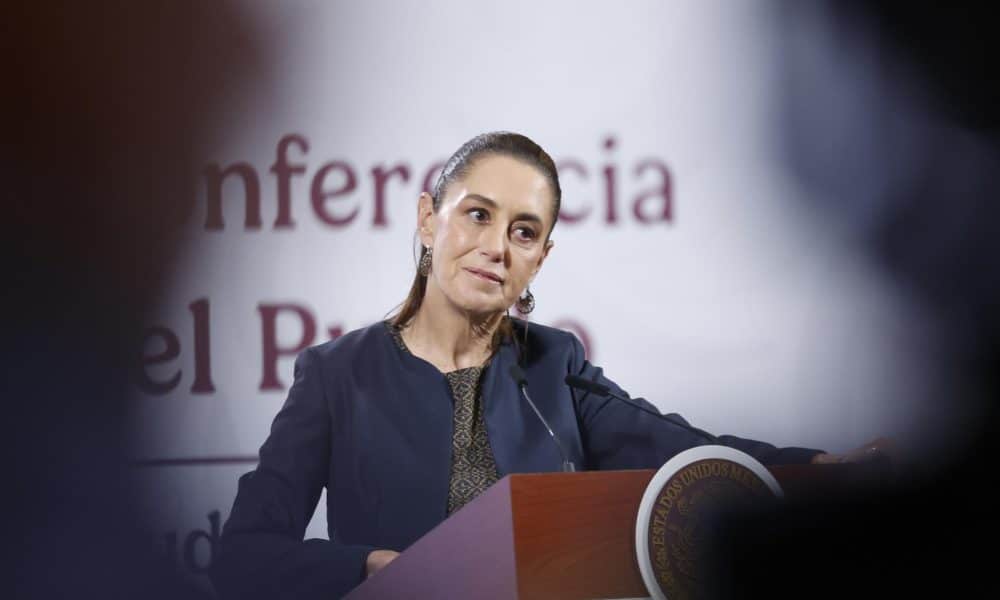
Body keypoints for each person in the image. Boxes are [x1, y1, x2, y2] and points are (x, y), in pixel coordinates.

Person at [210, 132, 889, 600]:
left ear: (541, 257)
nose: (497, 247)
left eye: (524, 231)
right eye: (477, 215)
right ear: (427, 219)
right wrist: (371, 567)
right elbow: (244, 553)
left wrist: (811, 471)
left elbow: (676, 444)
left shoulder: (554, 364)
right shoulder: (337, 375)